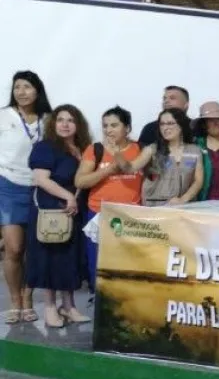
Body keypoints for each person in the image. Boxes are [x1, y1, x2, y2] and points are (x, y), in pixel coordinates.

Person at [26, 104, 90, 328]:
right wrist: (68, 197)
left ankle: (69, 306)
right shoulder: (45, 147)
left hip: (74, 211)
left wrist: (75, 201)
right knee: (49, 258)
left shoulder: (84, 148)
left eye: (70, 120)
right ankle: (50, 308)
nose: (64, 124)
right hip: (52, 209)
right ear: (53, 123)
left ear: (78, 124)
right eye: (60, 119)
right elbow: (41, 179)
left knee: (69, 258)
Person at [75, 106, 144, 294]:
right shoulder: (95, 149)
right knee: (98, 265)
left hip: (131, 215)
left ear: (127, 128)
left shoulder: (139, 149)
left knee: (128, 265)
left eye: (114, 125)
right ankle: (100, 304)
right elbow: (80, 181)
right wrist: (107, 170)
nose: (108, 130)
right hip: (99, 214)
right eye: (105, 126)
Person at [1, 70, 51, 324]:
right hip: (7, 185)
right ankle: (14, 301)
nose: (21, 92)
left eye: (27, 87)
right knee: (13, 248)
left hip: (38, 189)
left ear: (37, 90)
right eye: (17, 87)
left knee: (33, 248)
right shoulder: (4, 116)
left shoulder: (48, 119)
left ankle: (28, 298)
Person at [124, 109, 204, 206]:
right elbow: (130, 168)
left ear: (181, 125)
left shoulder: (195, 151)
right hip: (155, 207)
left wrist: (183, 199)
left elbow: (198, 181)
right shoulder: (152, 150)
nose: (165, 128)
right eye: (162, 124)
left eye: (170, 123)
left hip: (185, 206)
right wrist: (117, 152)